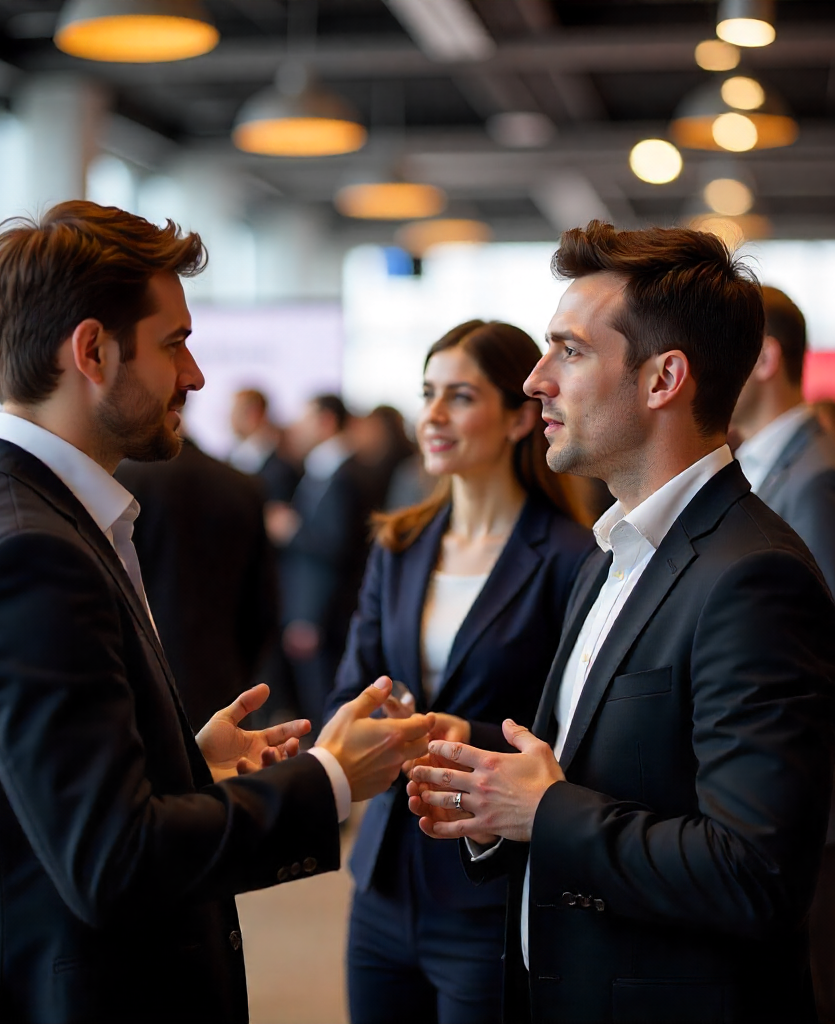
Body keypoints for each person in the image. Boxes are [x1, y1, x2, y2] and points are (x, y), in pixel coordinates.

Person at [0, 201, 435, 1024]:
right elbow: (111, 862)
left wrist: (182, 763)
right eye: (175, 342)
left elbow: (29, 799)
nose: (197, 375)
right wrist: (330, 779)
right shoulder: (28, 553)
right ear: (93, 351)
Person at [408, 222, 835, 1024]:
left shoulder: (755, 576)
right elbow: (604, 766)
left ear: (662, 380)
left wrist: (541, 810)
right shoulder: (613, 549)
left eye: (569, 351)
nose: (537, 380)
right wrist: (481, 770)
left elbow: (755, 873)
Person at [326, 320, 594, 1024]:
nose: (434, 416)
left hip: (490, 887)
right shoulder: (400, 543)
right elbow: (348, 689)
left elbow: (572, 729)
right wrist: (375, 718)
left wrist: (454, 734)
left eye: (461, 396)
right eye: (427, 393)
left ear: (517, 418)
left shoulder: (569, 557)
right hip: (383, 877)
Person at [731, 287, 835, 1024]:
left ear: (762, 358)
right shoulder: (768, 463)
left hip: (808, 792)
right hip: (792, 791)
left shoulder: (818, 477)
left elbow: (817, 660)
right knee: (831, 984)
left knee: (805, 992)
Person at [115, 437, 278, 727]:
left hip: (140, 679)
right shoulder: (241, 485)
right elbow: (263, 602)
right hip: (223, 676)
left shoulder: (122, 482)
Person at [268, 394, 373, 732]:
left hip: (327, 616)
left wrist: (291, 529)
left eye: (307, 417)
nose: (299, 426)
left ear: (327, 420)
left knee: (325, 711)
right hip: (322, 613)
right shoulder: (326, 467)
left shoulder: (343, 473)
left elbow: (335, 548)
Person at [228, 387, 299, 503]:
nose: (230, 418)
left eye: (234, 411)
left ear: (253, 414)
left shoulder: (280, 468)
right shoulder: (232, 456)